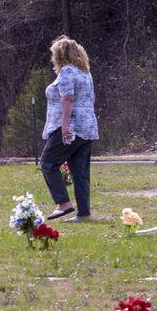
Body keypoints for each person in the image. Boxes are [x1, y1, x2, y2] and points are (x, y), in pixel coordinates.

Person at [40, 36, 99, 221]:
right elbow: (92, 98)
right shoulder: (85, 73)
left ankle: (63, 204)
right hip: (87, 128)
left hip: (69, 127)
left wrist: (65, 127)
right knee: (80, 172)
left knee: (48, 163)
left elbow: (68, 99)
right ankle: (84, 213)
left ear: (59, 55)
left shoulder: (66, 71)